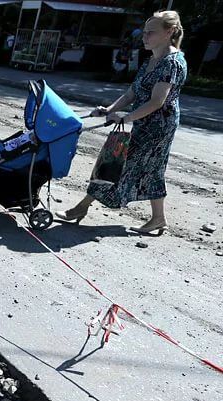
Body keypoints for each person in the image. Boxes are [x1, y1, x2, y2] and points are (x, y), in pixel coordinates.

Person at [55, 10, 187, 236]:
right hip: (143, 122)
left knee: (116, 164)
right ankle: (158, 218)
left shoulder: (172, 63)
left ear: (169, 32)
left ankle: (82, 207)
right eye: (144, 32)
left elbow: (157, 102)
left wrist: (125, 118)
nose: (144, 37)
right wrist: (109, 109)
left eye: (151, 33)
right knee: (151, 169)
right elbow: (132, 93)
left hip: (158, 128)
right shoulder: (151, 60)